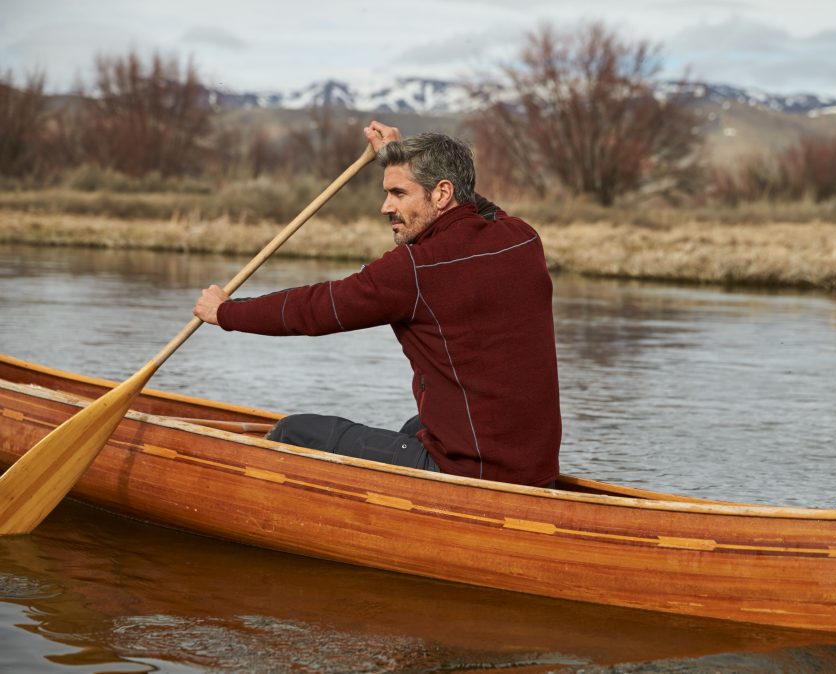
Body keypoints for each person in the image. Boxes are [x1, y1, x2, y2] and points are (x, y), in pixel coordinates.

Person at [192, 121, 561, 487]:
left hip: (469, 475)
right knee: (415, 428)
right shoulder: (523, 238)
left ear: (442, 193)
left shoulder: (414, 269)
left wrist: (225, 311)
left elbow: (317, 308)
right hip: (533, 469)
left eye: (399, 193)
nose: (385, 206)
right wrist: (394, 155)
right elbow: (477, 206)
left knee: (293, 431)